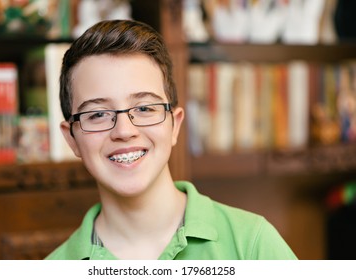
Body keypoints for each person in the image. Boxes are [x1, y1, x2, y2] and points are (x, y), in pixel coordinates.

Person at [45, 19, 297, 260]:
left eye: (144, 109)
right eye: (98, 114)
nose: (124, 130)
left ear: (174, 125)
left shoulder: (252, 245)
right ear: (72, 138)